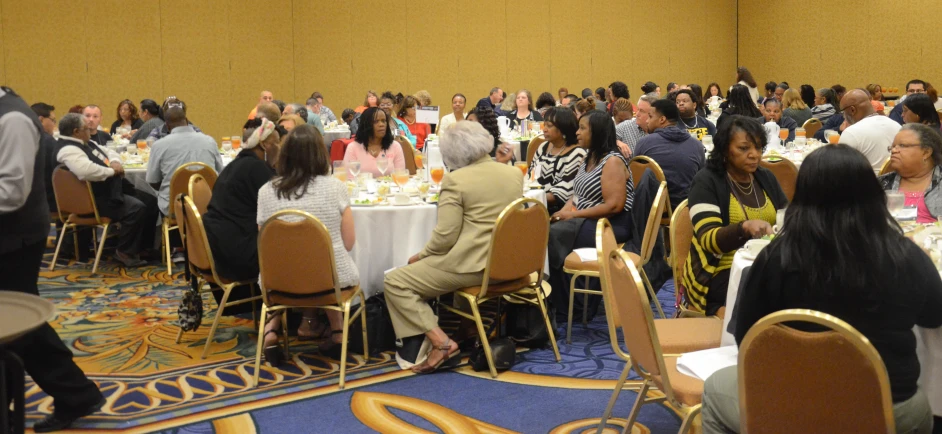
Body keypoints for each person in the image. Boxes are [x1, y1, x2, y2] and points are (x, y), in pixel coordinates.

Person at [702, 144, 942, 434]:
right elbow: (933, 317)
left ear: (802, 196)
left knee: (715, 389)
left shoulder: (775, 257)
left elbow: (749, 340)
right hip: (888, 410)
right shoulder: (904, 255)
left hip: (791, 404)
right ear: (873, 195)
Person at [0, 87, 105, 433]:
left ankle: (76, 394)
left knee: (18, 323)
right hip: (13, 236)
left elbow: (11, 192)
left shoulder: (13, 117)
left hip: (14, 240)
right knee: (16, 324)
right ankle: (74, 394)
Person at [384, 121, 523, 374]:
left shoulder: (455, 181)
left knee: (396, 281)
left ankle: (442, 343)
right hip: (511, 263)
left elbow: (445, 237)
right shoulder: (513, 174)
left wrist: (420, 256)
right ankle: (469, 327)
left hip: (474, 266)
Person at [256, 124, 359, 362]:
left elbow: (264, 245)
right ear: (320, 154)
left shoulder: (266, 191)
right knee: (330, 262)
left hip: (278, 282)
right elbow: (349, 243)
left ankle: (271, 330)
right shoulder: (336, 188)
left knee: (290, 262)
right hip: (329, 282)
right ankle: (339, 333)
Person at [682, 115, 787, 315]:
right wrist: (743, 228)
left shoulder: (765, 177)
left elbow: (786, 216)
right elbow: (708, 240)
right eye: (744, 148)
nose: (754, 155)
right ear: (724, 150)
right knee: (771, 296)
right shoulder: (706, 181)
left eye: (758, 148)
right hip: (718, 270)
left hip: (764, 263)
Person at [547, 110, 634, 317]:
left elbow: (614, 206)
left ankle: (575, 307)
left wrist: (574, 216)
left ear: (598, 132)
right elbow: (576, 195)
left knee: (552, 237)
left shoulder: (612, 161)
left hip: (610, 226)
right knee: (546, 229)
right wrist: (562, 211)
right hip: (588, 219)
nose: (577, 133)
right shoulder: (589, 156)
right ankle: (562, 300)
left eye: (583, 128)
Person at [55, 113, 152, 266]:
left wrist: (114, 162)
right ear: (76, 132)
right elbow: (85, 171)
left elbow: (110, 152)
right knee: (136, 208)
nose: (90, 131)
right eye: (86, 128)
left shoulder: (85, 143)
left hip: (105, 192)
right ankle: (124, 252)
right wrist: (112, 172)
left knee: (150, 200)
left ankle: (142, 247)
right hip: (93, 201)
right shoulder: (68, 149)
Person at [203, 118, 280, 296]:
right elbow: (279, 206)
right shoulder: (257, 169)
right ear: (264, 145)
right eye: (276, 143)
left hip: (219, 245)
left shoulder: (236, 164)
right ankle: (292, 306)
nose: (280, 148)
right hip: (238, 253)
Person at [146, 106, 224, 218]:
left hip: (174, 207)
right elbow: (219, 173)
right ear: (187, 121)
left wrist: (174, 186)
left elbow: (152, 180)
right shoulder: (209, 141)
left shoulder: (159, 145)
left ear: (167, 126)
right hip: (207, 205)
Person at [636, 99, 706, 209]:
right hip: (686, 211)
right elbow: (702, 181)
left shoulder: (644, 143)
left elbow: (636, 179)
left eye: (650, 116)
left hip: (653, 212)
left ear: (662, 119)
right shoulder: (697, 145)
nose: (647, 121)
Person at [879, 123, 942, 223]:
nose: (894, 150)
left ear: (926, 152)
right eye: (892, 147)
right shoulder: (881, 184)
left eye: (902, 145)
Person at [530, 107, 586, 214]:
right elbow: (531, 175)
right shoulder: (543, 147)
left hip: (557, 209)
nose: (544, 129)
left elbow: (564, 192)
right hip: (536, 201)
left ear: (563, 129)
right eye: (544, 124)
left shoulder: (576, 154)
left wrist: (533, 199)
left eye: (549, 126)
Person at [839, 89, 901, 170]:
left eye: (843, 112)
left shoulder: (851, 133)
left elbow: (841, 170)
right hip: (898, 180)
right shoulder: (896, 125)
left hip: (869, 181)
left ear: (852, 110)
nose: (844, 116)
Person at [343, 107, 406, 177]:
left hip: (389, 187)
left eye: (383, 121)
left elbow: (400, 176)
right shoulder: (353, 147)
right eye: (376, 121)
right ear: (366, 124)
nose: (381, 124)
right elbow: (349, 178)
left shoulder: (395, 146)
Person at [30, 103, 60, 213]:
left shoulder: (20, 138)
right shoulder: (48, 142)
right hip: (48, 200)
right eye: (53, 120)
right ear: (41, 120)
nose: (54, 125)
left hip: (24, 200)